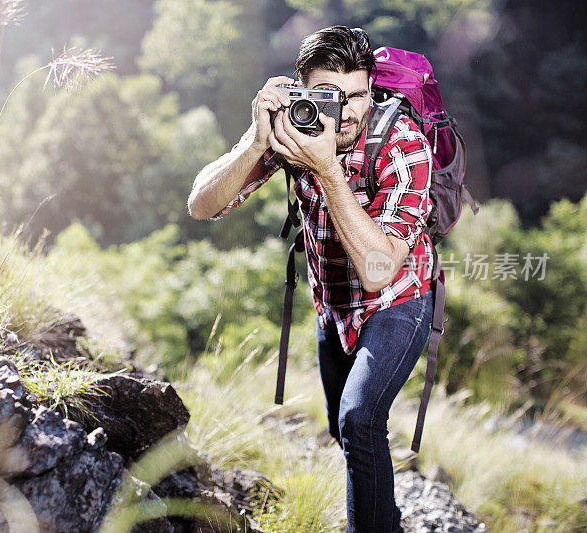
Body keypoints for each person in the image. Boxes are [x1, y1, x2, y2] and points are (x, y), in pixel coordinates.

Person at [187, 25, 435, 533]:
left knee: (359, 418)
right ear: (304, 89)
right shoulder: (295, 127)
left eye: (359, 96)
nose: (344, 112)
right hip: (334, 307)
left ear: (373, 89)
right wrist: (257, 142)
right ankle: (386, 521)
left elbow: (379, 272)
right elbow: (202, 205)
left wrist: (327, 170)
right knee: (343, 431)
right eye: (330, 95)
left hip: (399, 296)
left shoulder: (402, 142)